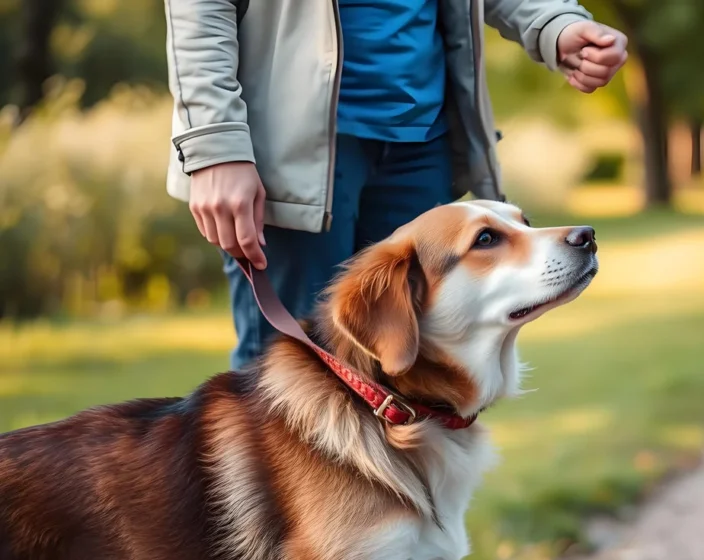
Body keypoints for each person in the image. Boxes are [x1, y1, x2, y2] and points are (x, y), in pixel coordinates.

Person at [164, 0, 628, 370]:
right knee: (285, 380)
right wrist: (215, 146)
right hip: (290, 149)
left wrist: (555, 23)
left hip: (423, 139)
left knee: (419, 371)